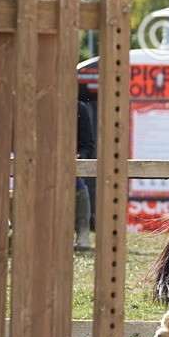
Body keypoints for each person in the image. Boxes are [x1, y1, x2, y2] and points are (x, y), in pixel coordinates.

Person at [74, 99, 95, 252]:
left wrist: (79, 156)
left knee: (79, 185)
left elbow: (87, 146)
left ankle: (83, 234)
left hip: (70, 166)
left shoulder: (79, 109)